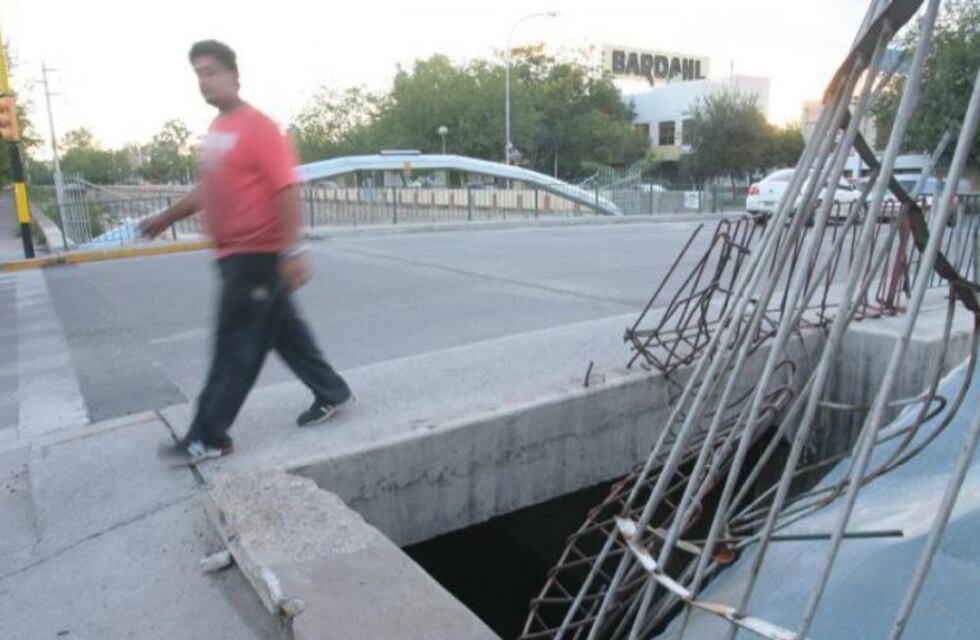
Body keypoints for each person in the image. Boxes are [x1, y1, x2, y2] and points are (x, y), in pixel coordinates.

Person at [142, 40, 352, 462]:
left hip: (256, 255)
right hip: (235, 256)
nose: (204, 81)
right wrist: (166, 218)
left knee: (236, 346)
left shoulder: (258, 127)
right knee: (283, 332)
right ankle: (332, 391)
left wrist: (293, 251)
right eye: (198, 74)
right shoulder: (220, 131)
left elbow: (285, 187)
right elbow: (210, 189)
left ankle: (209, 435)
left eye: (211, 71)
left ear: (234, 76)